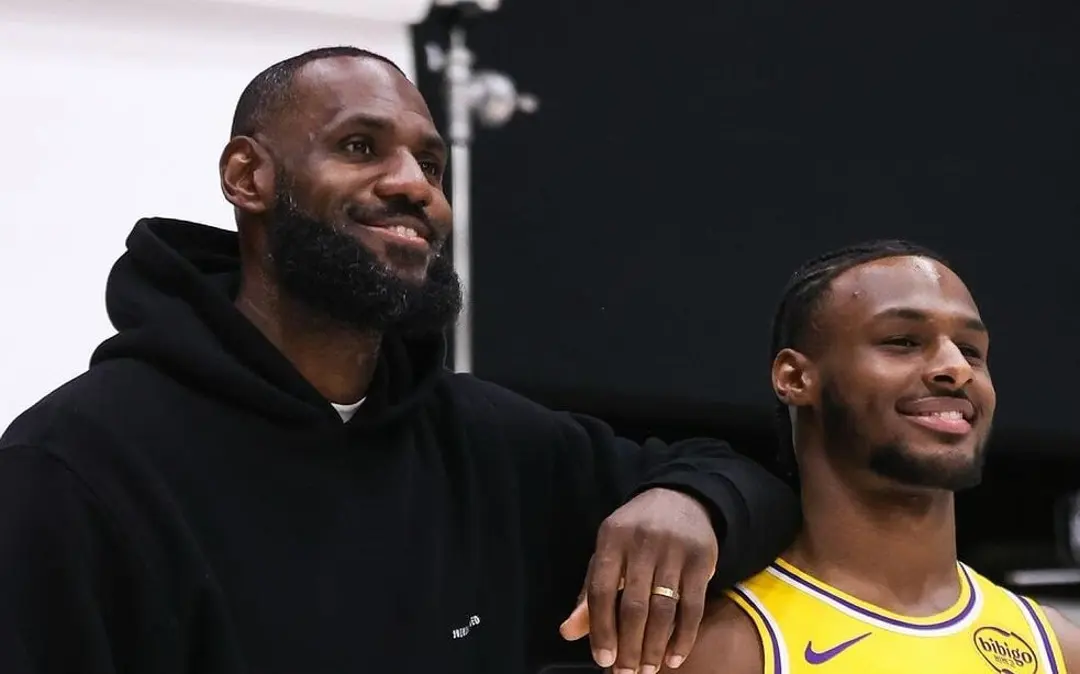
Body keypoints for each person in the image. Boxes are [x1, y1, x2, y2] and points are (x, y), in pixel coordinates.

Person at [0, 47, 799, 674]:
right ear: (248, 177)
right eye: (359, 146)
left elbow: (761, 481)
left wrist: (690, 503)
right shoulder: (73, 466)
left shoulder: (488, 442)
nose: (414, 187)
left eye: (431, 164)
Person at [670, 240, 1080, 674]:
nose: (956, 367)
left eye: (971, 350)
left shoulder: (1058, 650)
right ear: (795, 377)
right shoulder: (716, 649)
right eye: (903, 341)